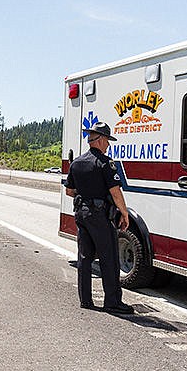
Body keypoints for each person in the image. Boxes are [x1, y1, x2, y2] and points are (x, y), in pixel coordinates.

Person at [64, 122, 134, 315]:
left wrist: (86, 195)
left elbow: (70, 191)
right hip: (99, 215)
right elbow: (115, 192)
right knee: (109, 257)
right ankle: (112, 302)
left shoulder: (76, 163)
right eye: (108, 141)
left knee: (84, 257)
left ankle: (85, 300)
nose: (108, 146)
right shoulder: (105, 163)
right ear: (101, 140)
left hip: (81, 213)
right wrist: (125, 213)